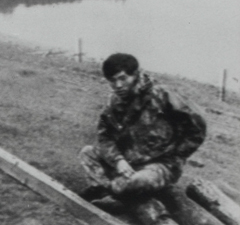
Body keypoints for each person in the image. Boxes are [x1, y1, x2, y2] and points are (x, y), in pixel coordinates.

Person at [80, 53, 207, 201]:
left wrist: (176, 155)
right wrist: (119, 160)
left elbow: (198, 126)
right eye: (112, 81)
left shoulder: (163, 95)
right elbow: (104, 136)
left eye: (123, 78)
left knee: (139, 182)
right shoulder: (114, 102)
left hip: (159, 167)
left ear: (135, 74)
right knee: (87, 153)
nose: (118, 86)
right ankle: (114, 192)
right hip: (127, 163)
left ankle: (109, 191)